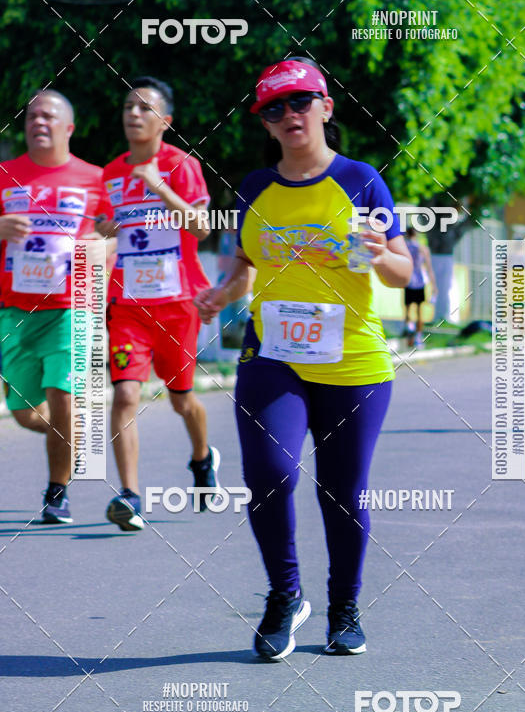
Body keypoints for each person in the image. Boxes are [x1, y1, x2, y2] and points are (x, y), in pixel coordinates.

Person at [195, 58, 413, 660]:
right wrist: (220, 292)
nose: (289, 114)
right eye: (274, 107)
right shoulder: (255, 187)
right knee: (269, 474)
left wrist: (377, 252)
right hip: (273, 355)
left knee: (342, 491)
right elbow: (244, 266)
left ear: (325, 107)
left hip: (354, 361)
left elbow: (404, 269)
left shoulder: (361, 178)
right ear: (264, 122)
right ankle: (284, 595)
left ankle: (344, 606)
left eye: (299, 102)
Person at [97, 76, 218, 531]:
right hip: (127, 305)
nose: (133, 114)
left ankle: (203, 459)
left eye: (144, 108)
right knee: (126, 393)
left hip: (176, 304)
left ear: (165, 121)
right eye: (128, 106)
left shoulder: (181, 165)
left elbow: (202, 227)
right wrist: (104, 232)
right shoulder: (110, 173)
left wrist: (157, 186)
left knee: (181, 400)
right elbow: (106, 229)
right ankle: (129, 495)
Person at [0, 89, 110, 523]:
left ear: (69, 128)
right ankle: (75, 435)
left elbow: (120, 235)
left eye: (48, 116)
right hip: (13, 312)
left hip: (70, 308)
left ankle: (56, 491)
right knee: (26, 414)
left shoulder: (96, 179)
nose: (38, 123)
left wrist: (102, 247)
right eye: (31, 116)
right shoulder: (5, 174)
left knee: (62, 397)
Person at [403, 225, 437, 348]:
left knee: (407, 311)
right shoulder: (422, 248)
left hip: (408, 281)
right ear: (416, 235)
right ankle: (418, 337)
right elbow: (429, 268)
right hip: (420, 282)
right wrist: (434, 286)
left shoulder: (404, 248)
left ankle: (409, 333)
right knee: (419, 311)